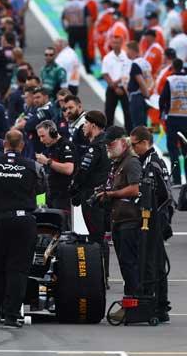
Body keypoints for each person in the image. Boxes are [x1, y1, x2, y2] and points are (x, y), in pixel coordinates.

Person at [0, 129, 42, 328]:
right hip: (23, 222)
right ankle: (12, 316)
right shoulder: (34, 166)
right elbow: (42, 191)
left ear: (4, 144)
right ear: (22, 145)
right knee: (18, 270)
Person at [129, 126, 173, 323]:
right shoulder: (145, 160)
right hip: (151, 219)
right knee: (152, 262)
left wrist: (154, 217)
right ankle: (157, 303)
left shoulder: (154, 162)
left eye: (134, 144)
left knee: (154, 264)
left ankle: (159, 305)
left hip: (155, 220)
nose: (132, 148)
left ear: (144, 143)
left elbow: (164, 196)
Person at [100, 125, 142, 300]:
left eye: (111, 143)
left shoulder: (131, 162)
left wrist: (111, 194)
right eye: (106, 144)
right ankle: (131, 298)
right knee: (125, 263)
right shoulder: (117, 163)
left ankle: (135, 299)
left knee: (129, 262)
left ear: (123, 143)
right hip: (119, 219)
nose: (108, 146)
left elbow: (135, 189)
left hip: (130, 220)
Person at [72, 110, 111, 285]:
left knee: (96, 238)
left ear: (93, 125)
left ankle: (100, 277)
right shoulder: (106, 144)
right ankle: (104, 275)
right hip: (104, 195)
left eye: (86, 124)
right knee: (100, 236)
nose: (84, 127)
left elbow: (83, 172)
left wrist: (74, 188)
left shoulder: (96, 147)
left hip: (93, 197)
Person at [35, 120, 74, 210]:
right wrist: (40, 202)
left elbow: (69, 169)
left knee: (61, 222)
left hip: (62, 196)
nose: (41, 140)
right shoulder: (49, 148)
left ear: (52, 132)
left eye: (43, 136)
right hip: (49, 194)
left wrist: (47, 162)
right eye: (39, 137)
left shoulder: (66, 145)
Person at [160, 59, 187, 185]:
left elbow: (162, 99)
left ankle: (176, 180)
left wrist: (162, 113)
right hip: (186, 118)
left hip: (173, 118)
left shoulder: (170, 80)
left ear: (173, 68)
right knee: (186, 149)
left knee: (173, 150)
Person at [102, 34, 132, 127]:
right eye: (114, 43)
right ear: (111, 43)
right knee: (109, 113)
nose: (116, 45)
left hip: (125, 88)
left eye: (118, 43)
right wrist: (114, 87)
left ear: (121, 43)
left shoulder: (127, 57)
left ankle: (129, 134)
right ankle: (108, 135)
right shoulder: (107, 57)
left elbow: (128, 73)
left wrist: (117, 83)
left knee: (128, 113)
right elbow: (105, 74)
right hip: (112, 88)